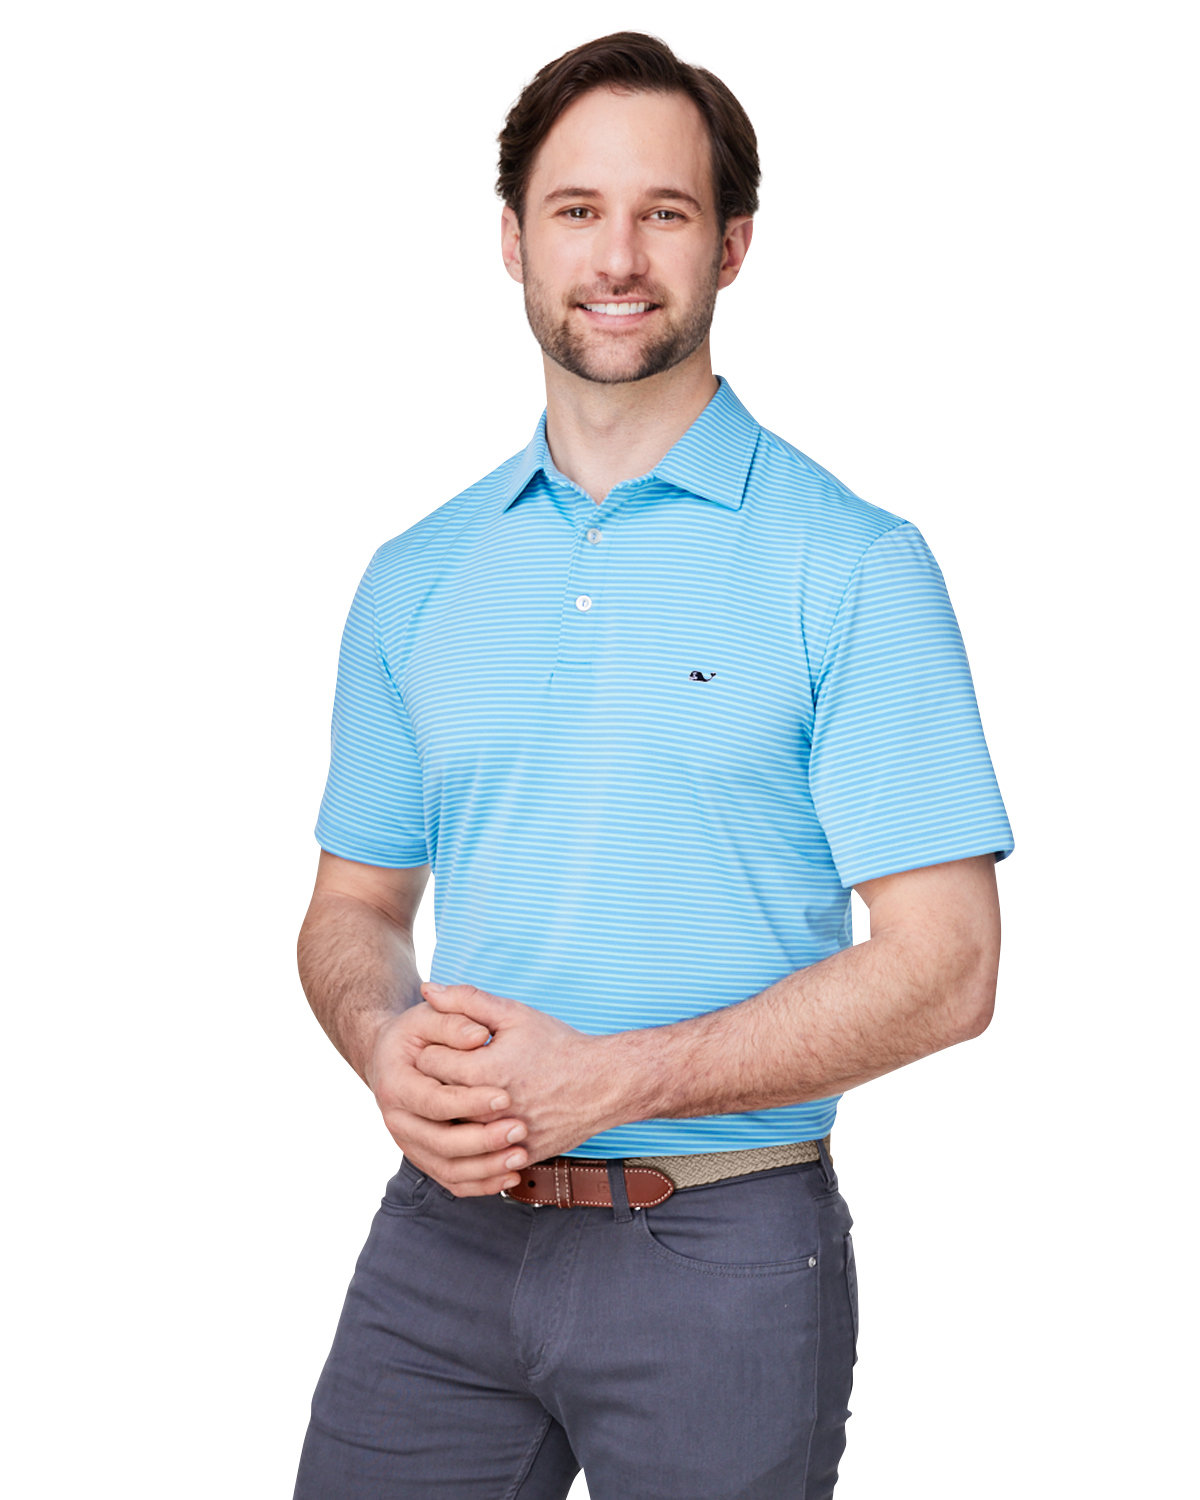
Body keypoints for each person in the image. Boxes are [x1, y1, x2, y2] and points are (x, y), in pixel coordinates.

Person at [292, 30, 1013, 1500]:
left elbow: (950, 968)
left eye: (663, 212)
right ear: (513, 240)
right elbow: (352, 908)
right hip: (442, 1239)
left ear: (731, 245)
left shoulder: (852, 565)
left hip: (720, 1247)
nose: (616, 257)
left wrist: (608, 1082)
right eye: (577, 210)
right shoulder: (415, 576)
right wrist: (381, 1042)